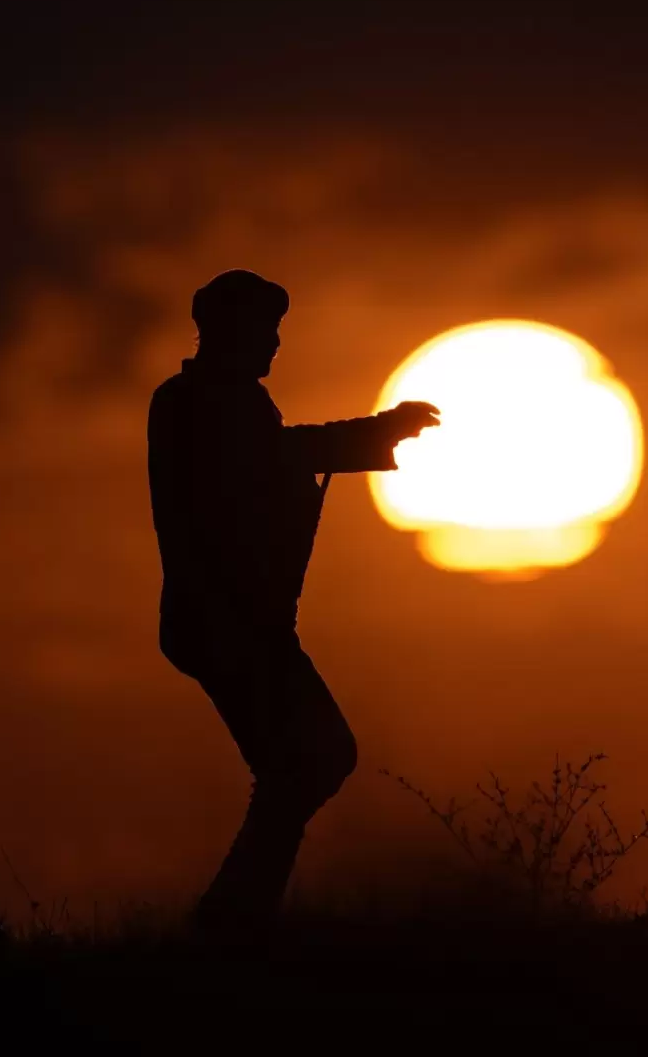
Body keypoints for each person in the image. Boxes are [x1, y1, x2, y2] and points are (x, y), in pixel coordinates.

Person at [148, 269, 440, 934]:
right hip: (224, 624)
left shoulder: (230, 403)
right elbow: (265, 457)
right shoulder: (192, 403)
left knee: (307, 763)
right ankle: (230, 923)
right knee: (312, 760)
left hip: (246, 624)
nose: (276, 346)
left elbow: (271, 455)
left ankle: (233, 921)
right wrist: (376, 433)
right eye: (266, 331)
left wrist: (371, 437)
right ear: (228, 331)